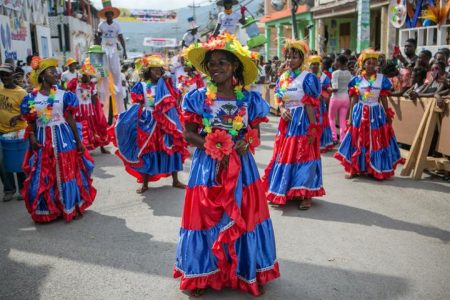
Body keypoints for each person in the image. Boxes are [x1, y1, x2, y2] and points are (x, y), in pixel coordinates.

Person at [174, 33, 279, 297]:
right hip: (208, 167)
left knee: (246, 215)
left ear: (234, 67)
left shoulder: (250, 99)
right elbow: (188, 134)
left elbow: (254, 131)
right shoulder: (197, 97)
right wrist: (213, 148)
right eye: (211, 63)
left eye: (222, 62)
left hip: (242, 168)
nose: (215, 67)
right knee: (205, 217)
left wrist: (246, 141)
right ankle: (200, 273)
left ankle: (251, 270)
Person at [20, 57, 96, 222]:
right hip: (41, 139)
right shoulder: (31, 98)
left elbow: (70, 119)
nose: (56, 73)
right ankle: (48, 209)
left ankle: (69, 206)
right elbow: (30, 121)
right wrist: (31, 136)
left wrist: (79, 141)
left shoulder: (64, 95)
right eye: (52, 71)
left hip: (64, 139)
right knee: (44, 173)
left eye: (56, 70)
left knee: (66, 171)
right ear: (42, 75)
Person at [111, 56, 188, 194]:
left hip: (165, 121)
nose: (158, 72)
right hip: (149, 122)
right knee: (147, 150)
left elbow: (174, 100)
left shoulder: (166, 84)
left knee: (171, 148)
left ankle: (175, 180)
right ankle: (145, 183)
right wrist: (127, 119)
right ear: (148, 71)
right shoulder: (141, 86)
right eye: (154, 69)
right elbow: (138, 105)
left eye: (160, 69)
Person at [263, 39, 324, 210]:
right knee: (285, 156)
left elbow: (310, 104)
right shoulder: (283, 77)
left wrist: (313, 128)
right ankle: (285, 189)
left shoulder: (308, 78)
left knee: (305, 155)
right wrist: (281, 110)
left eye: (294, 57)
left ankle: (306, 195)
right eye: (288, 57)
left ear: (302, 59)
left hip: (303, 120)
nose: (290, 60)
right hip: (287, 123)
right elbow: (280, 100)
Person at [334, 49, 404, 180]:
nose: (371, 65)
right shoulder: (357, 80)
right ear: (363, 64)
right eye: (368, 63)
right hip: (360, 113)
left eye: (374, 63)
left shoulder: (382, 79)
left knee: (376, 140)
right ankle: (353, 168)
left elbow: (383, 98)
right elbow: (354, 99)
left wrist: (388, 114)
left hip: (376, 114)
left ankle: (375, 168)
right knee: (357, 139)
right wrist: (349, 118)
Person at [66, 58, 110, 153]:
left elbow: (94, 100)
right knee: (81, 130)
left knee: (95, 128)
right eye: (86, 76)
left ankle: (102, 147)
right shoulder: (76, 84)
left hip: (90, 112)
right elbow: (68, 91)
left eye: (90, 76)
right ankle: (81, 147)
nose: (89, 78)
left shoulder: (91, 86)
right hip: (79, 113)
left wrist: (97, 109)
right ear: (82, 76)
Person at [0, 64, 27, 202]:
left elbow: (29, 111)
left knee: (18, 162)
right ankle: (9, 189)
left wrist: (18, 117)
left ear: (12, 75)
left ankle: (23, 189)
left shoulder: (21, 93)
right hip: (1, 132)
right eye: (2, 75)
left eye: (7, 74)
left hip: (18, 132)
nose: (4, 77)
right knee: (2, 162)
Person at [96, 0, 127, 117]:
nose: (108, 16)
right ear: (105, 15)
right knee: (104, 73)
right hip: (104, 50)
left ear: (112, 15)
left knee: (115, 71)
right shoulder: (101, 25)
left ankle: (118, 90)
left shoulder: (117, 25)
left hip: (113, 49)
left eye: (110, 14)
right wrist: (96, 50)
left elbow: (121, 38)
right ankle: (104, 92)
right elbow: (98, 39)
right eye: (107, 14)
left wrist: (125, 51)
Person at [309, 55, 333, 152]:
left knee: (321, 123)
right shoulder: (307, 76)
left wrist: (328, 91)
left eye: (317, 64)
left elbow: (327, 88)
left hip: (320, 106)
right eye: (313, 64)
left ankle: (321, 144)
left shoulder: (324, 77)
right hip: (310, 106)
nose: (315, 66)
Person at [330, 54, 353, 143]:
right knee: (342, 120)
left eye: (336, 61)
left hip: (336, 98)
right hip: (346, 97)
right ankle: (342, 139)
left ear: (339, 62)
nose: (335, 63)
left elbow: (335, 89)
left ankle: (334, 137)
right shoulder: (349, 73)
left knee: (331, 118)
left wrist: (328, 89)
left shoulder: (335, 73)